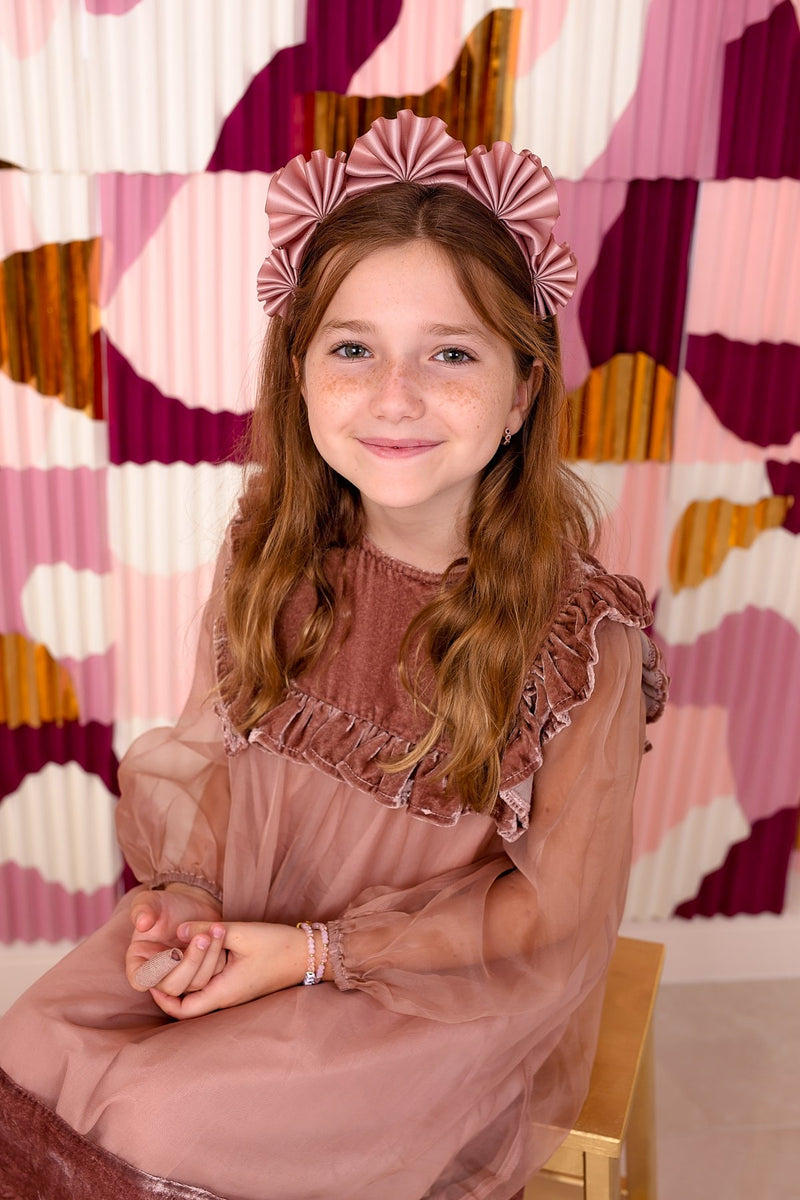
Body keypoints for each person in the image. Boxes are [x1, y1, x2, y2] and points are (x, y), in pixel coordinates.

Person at [0, 111, 667, 1200]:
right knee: (34, 1046)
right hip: (260, 916)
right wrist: (188, 895)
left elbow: (550, 913)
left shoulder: (577, 640)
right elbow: (218, 765)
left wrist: (313, 955)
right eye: (353, 349)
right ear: (300, 375)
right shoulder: (272, 554)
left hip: (439, 985)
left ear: (520, 392)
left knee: (150, 1117)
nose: (394, 396)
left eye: (450, 353)